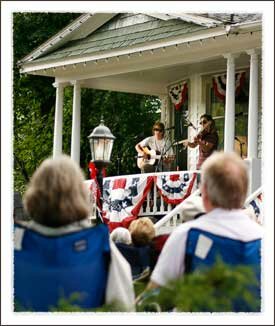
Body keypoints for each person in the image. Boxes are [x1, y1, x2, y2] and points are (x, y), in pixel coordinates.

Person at [14, 155, 135, 312]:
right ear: (80, 194)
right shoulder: (101, 247)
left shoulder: (16, 243)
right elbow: (123, 307)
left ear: (34, 193)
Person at [147, 152, 262, 298]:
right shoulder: (265, 239)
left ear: (204, 192)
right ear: (244, 191)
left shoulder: (186, 236)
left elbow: (153, 298)